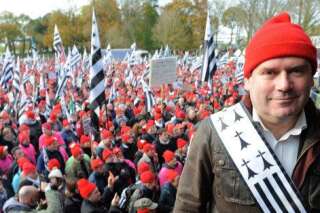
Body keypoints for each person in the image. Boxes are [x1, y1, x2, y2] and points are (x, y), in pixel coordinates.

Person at [174, 12, 320, 212]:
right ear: (248, 81)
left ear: (312, 78)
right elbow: (188, 207)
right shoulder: (212, 133)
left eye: (296, 71)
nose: (284, 85)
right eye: (270, 72)